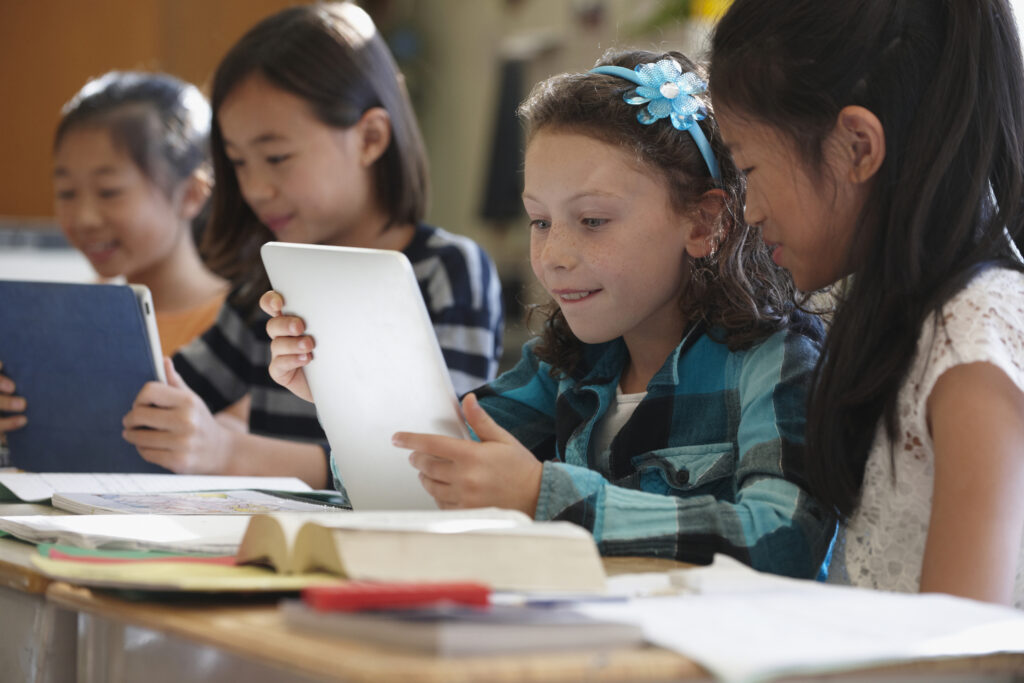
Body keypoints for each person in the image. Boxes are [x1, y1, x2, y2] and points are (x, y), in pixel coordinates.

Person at [264, 50, 835, 578]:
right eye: (540, 221)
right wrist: (347, 392)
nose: (555, 257)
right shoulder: (560, 368)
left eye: (592, 221)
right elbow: (427, 479)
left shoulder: (775, 361)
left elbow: (784, 539)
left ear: (702, 223)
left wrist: (546, 495)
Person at [709, 0, 1024, 606]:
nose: (748, 211)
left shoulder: (975, 342)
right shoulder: (904, 309)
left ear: (856, 146)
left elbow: (960, 653)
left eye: (750, 166)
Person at [121, 2, 504, 490]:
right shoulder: (264, 280)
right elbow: (158, 389)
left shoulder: (448, 270)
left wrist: (224, 449)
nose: (256, 188)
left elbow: (433, 459)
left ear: (369, 138)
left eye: (277, 156)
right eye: (238, 163)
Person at [0, 70, 241, 440]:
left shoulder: (246, 326)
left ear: (191, 194)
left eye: (109, 191)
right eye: (66, 192)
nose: (84, 218)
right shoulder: (62, 320)